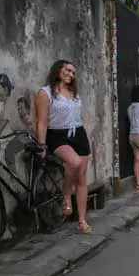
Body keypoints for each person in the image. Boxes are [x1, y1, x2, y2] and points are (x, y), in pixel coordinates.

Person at [34, 60, 92, 233]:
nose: (70, 74)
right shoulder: (45, 93)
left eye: (73, 72)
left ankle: (82, 220)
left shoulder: (74, 92)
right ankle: (66, 195)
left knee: (81, 178)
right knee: (74, 163)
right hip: (58, 135)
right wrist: (42, 145)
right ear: (58, 70)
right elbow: (42, 123)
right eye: (67, 70)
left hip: (78, 133)